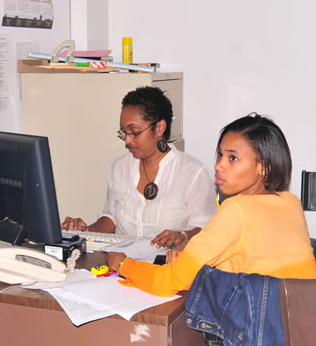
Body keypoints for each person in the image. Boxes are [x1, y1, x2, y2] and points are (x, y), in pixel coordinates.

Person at [106, 113, 316, 346]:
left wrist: (122, 264)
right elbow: (251, 254)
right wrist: (195, 249)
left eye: (233, 158)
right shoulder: (289, 202)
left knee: (193, 311)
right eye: (220, 154)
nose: (219, 165)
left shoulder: (236, 210)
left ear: (263, 168)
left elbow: (169, 281)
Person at [61, 86, 216, 249]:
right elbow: (111, 219)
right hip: (120, 261)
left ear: (159, 128)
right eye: (124, 132)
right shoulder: (120, 167)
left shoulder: (193, 173)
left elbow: (207, 231)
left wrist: (182, 235)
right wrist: (84, 232)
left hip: (168, 262)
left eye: (134, 132)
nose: (127, 140)